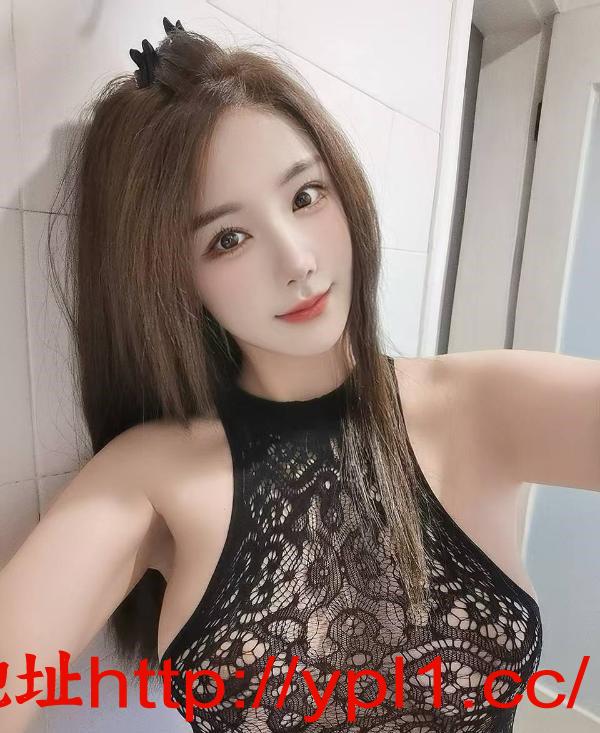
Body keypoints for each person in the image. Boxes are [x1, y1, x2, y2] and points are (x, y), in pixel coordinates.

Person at [0, 17, 554, 733]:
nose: (296, 260)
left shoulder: (485, 403)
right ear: (170, 277)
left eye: (305, 196)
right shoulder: (153, 477)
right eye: (228, 238)